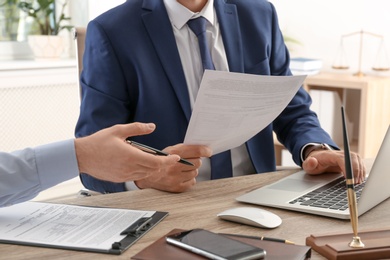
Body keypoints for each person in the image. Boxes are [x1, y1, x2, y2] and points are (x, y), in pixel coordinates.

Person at [75, 0, 365, 194]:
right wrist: (144, 179)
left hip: (258, 195)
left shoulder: (259, 14)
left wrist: (314, 149)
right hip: (171, 206)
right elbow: (92, 162)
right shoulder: (113, 31)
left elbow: (292, 110)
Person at [0, 122, 210, 207]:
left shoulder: (240, 26)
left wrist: (81, 155)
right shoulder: (112, 32)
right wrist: (82, 155)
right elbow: (99, 145)